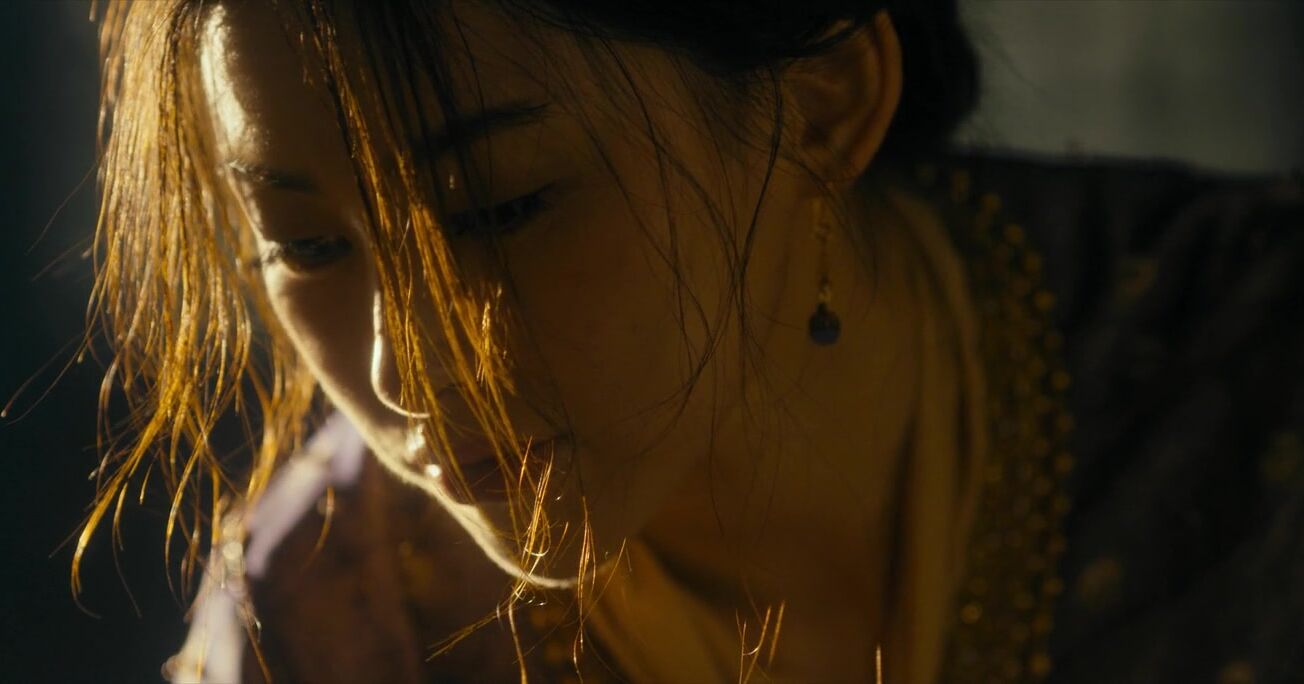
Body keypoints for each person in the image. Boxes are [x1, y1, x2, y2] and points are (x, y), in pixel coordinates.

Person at [78, 0, 1304, 682]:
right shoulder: (328, 631)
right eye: (304, 245)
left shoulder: (1253, 378)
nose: (409, 374)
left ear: (820, 106)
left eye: (498, 208)